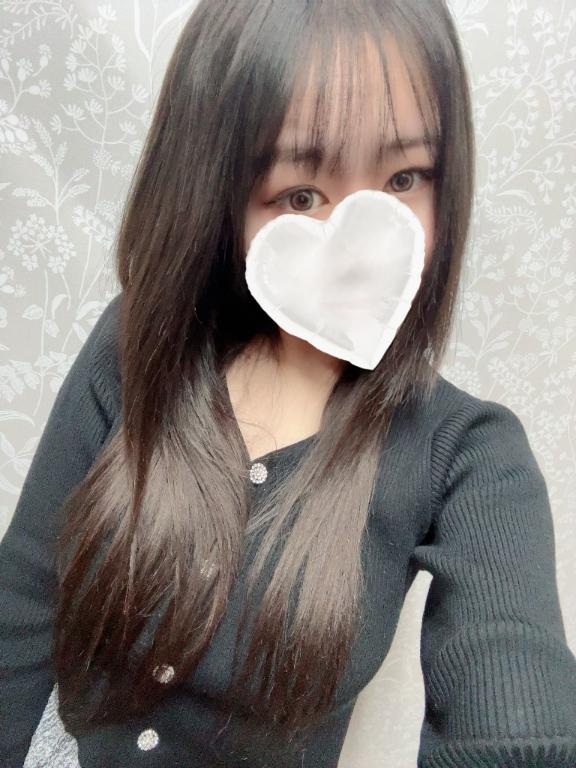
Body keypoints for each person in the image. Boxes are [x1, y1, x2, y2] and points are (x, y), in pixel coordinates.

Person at [1, 1, 575, 766]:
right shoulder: (138, 343)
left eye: (404, 178)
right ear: (221, 194)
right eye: (300, 194)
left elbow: (514, 698)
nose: (357, 245)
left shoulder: (468, 454)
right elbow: (25, 595)